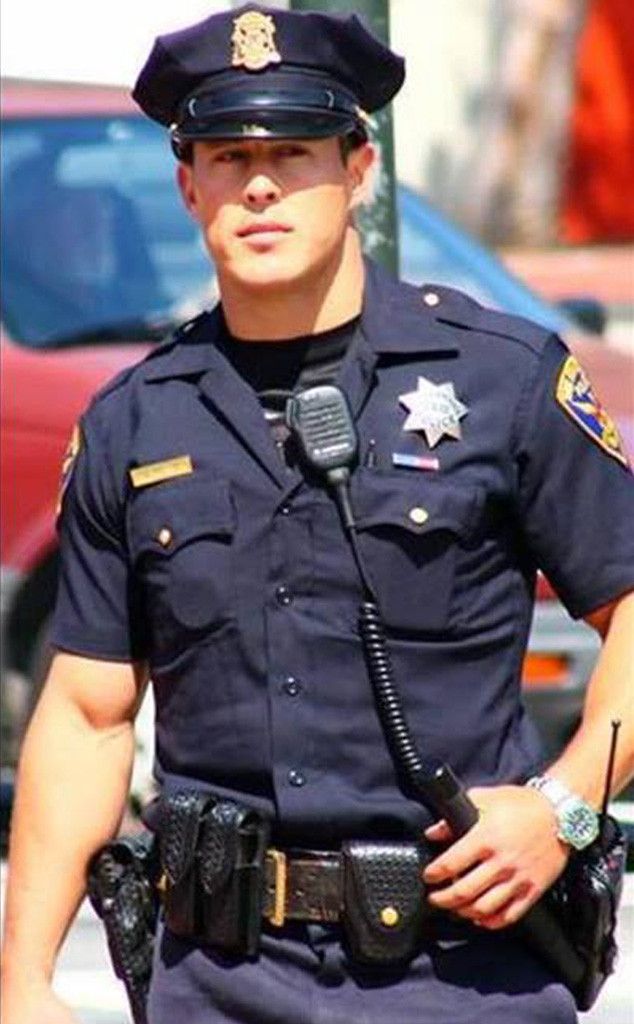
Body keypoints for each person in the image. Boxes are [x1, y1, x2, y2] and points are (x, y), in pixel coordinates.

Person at [2, 5, 634, 1024]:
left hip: (468, 976)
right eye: (227, 155)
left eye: (292, 153)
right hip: (217, 979)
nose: (258, 184)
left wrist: (560, 807)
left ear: (356, 168)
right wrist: (24, 981)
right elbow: (85, 711)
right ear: (187, 183)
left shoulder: (503, 379)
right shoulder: (134, 419)